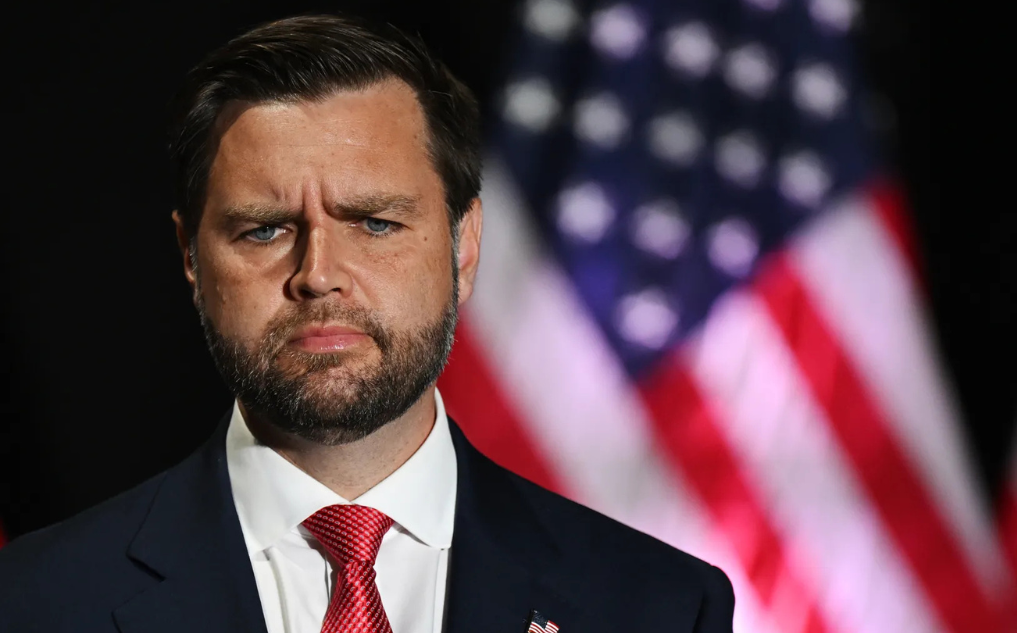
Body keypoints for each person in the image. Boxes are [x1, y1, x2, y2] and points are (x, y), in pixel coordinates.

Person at [0, 14, 734, 633]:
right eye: (264, 229)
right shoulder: (31, 602)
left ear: (464, 246)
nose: (318, 273)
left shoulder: (660, 607)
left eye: (376, 223)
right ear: (191, 256)